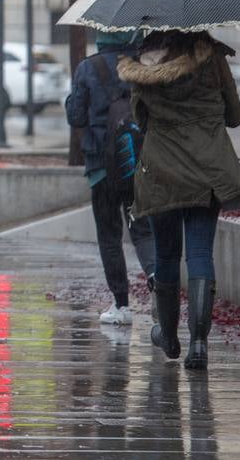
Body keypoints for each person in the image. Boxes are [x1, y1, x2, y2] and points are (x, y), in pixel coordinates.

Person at [117, 31, 240, 370]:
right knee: (200, 253)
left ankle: (169, 336)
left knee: (166, 253)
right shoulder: (213, 58)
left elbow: (140, 119)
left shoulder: (143, 62)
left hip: (161, 172)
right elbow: (233, 115)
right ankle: (200, 343)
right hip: (209, 170)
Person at [65, 30, 156, 326]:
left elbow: (76, 116)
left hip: (101, 166)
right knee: (142, 228)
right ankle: (155, 275)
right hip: (135, 162)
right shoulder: (139, 65)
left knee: (109, 235)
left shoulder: (88, 67)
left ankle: (121, 305)